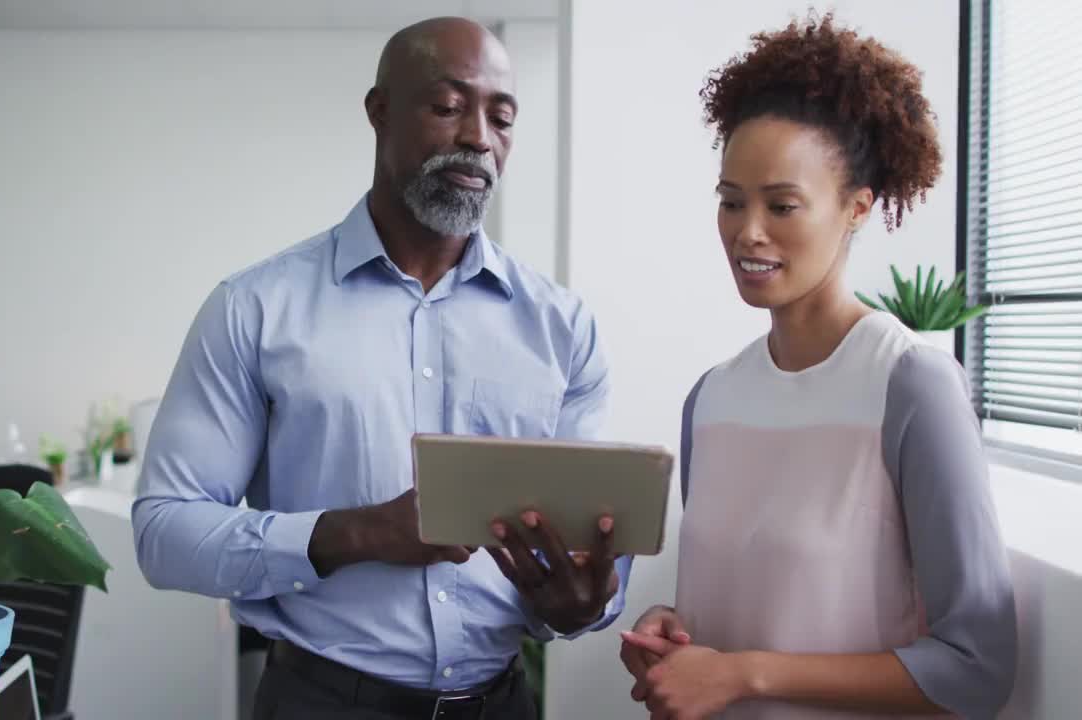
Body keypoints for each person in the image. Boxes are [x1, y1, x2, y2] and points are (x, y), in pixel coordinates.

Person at [133, 16, 631, 720]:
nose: (478, 138)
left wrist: (584, 604)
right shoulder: (255, 309)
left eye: (502, 117)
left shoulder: (562, 328)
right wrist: (358, 533)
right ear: (380, 111)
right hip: (321, 701)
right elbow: (164, 533)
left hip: (502, 702)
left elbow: (591, 543)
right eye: (448, 106)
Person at [619, 13, 1017, 720]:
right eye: (731, 202)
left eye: (782, 205)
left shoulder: (910, 387)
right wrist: (673, 631)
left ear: (857, 208)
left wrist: (746, 674)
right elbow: (772, 604)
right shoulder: (710, 399)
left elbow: (974, 667)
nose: (748, 232)